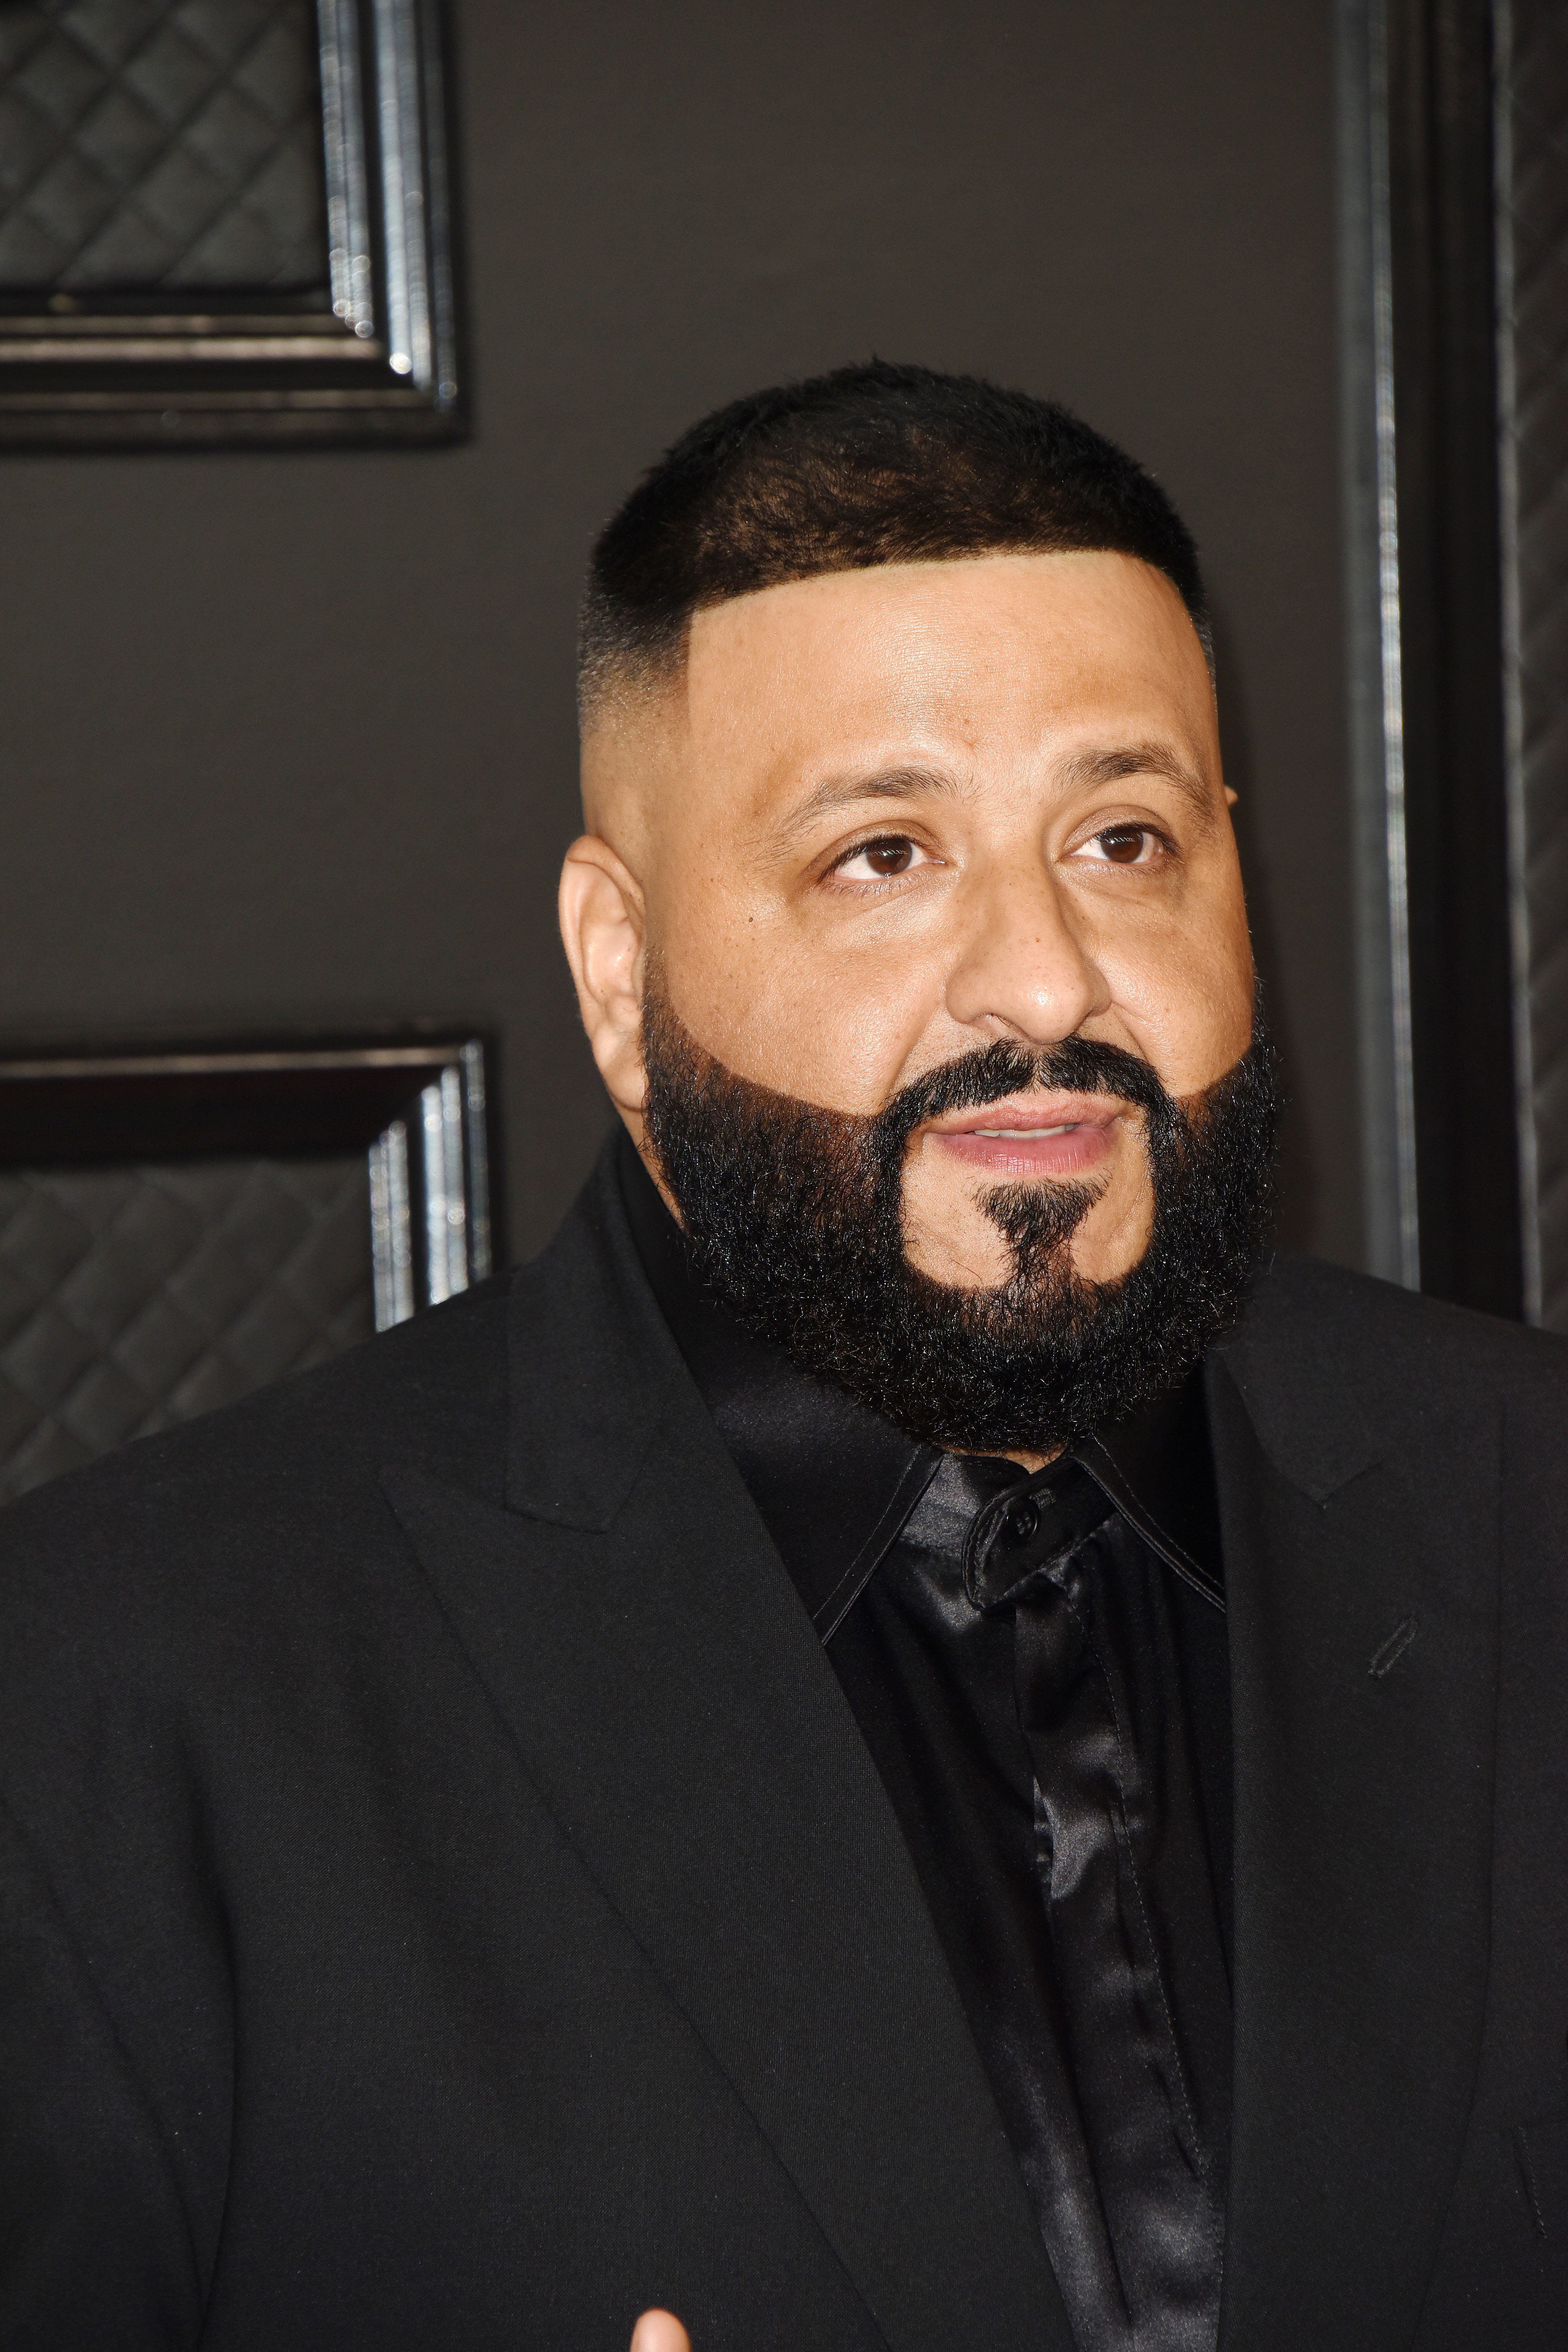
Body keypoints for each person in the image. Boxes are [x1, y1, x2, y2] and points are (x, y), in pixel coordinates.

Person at [1, 363, 1563, 2352]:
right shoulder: (108, 1705)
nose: (1045, 977)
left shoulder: (1536, 1509)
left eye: (1122, 837)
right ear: (619, 973)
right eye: (881, 857)